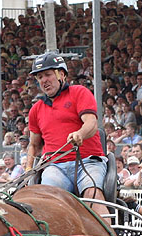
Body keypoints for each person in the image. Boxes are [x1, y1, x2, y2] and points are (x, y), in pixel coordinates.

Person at [26, 52, 108, 216]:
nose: (44, 80)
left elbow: (91, 123)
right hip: (55, 167)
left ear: (61, 74)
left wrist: (80, 134)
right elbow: (34, 145)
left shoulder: (79, 92)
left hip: (88, 161)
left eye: (48, 74)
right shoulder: (36, 109)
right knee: (48, 199)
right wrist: (28, 167)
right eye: (40, 77)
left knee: (93, 194)